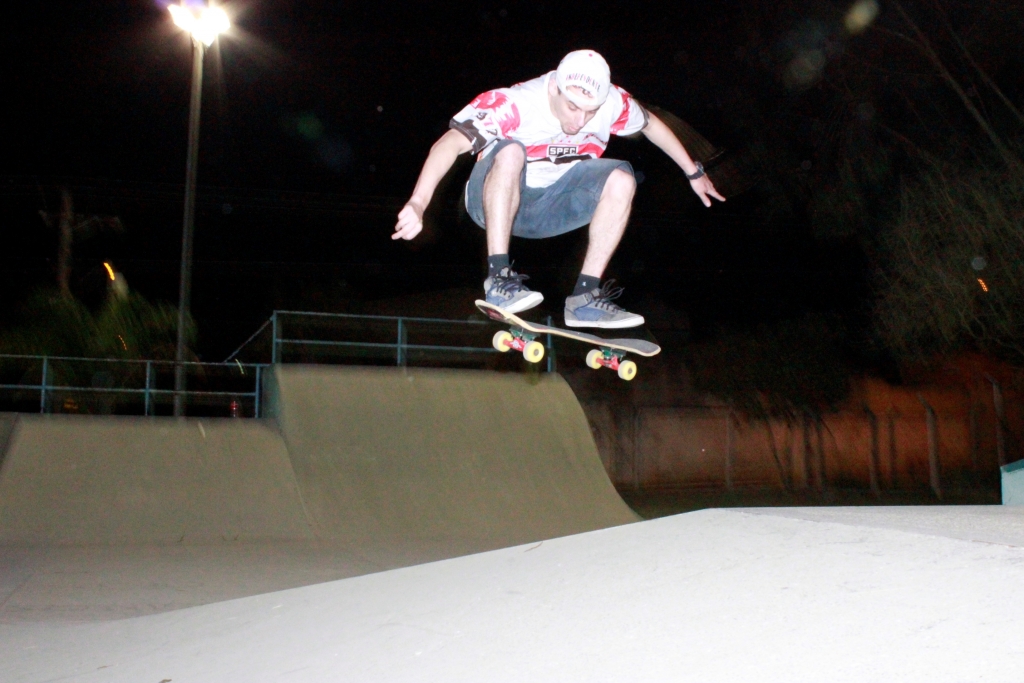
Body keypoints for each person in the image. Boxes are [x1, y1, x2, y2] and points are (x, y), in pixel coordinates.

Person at [393, 49, 724, 328]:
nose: (579, 122)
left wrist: (693, 172)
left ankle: (585, 298)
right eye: (572, 108)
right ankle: (498, 279)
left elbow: (650, 124)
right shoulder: (514, 103)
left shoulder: (613, 103)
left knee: (622, 179)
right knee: (511, 151)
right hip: (490, 202)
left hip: (551, 207)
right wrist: (419, 202)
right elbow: (449, 143)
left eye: (590, 112)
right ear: (554, 88)